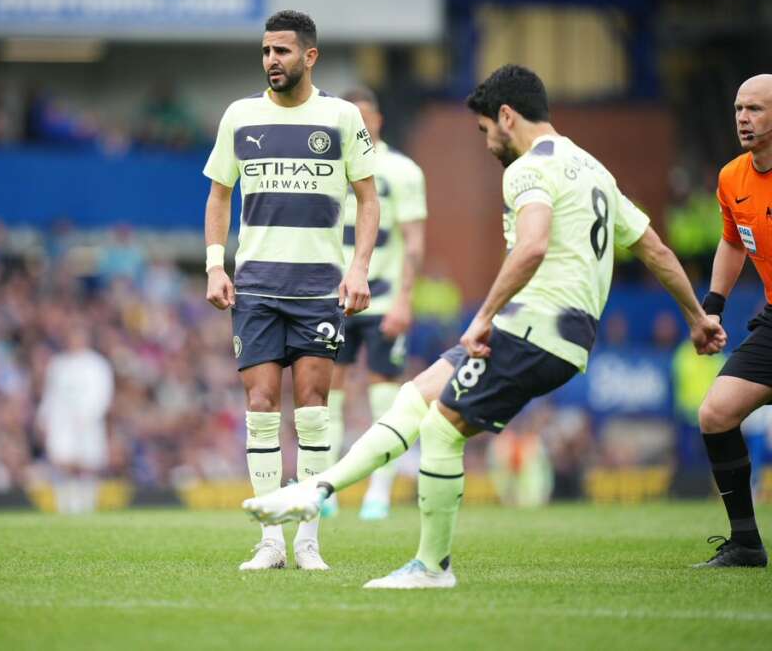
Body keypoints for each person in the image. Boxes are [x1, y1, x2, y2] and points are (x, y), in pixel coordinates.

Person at [243, 64, 725, 587]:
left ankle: (430, 567)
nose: (487, 141)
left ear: (507, 116)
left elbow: (532, 245)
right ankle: (315, 491)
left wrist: (484, 316)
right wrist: (697, 318)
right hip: (551, 333)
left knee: (440, 428)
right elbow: (655, 249)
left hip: (534, 328)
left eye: (485, 129)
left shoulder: (527, 169)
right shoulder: (592, 170)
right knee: (414, 397)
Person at [204, 10, 380, 570]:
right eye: (265, 51)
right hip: (256, 287)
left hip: (317, 288)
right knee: (259, 406)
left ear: (310, 56)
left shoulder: (342, 116)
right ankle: (270, 542)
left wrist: (359, 268)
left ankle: (308, 541)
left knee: (312, 409)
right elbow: (218, 195)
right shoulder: (240, 116)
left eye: (281, 51)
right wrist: (214, 266)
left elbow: (368, 198)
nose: (271, 60)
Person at [324, 87, 427, 521]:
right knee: (326, 397)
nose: (361, 126)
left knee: (384, 397)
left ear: (379, 120)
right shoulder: (328, 166)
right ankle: (325, 491)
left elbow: (415, 242)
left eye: (366, 117)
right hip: (333, 299)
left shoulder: (402, 171)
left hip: (384, 300)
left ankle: (379, 493)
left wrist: (405, 299)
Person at [693, 73, 772, 568]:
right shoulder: (732, 178)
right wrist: (713, 305)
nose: (744, 118)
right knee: (716, 414)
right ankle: (745, 543)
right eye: (739, 108)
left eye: (755, 109)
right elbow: (732, 240)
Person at [38, 326, 114, 514]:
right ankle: (65, 504)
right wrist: (43, 417)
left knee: (87, 464)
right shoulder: (58, 364)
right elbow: (50, 394)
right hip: (62, 422)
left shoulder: (97, 364)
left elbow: (103, 394)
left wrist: (89, 414)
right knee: (63, 463)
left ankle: (87, 504)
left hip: (88, 422)